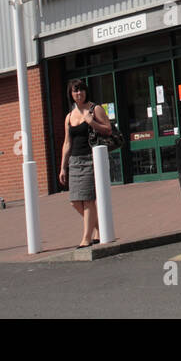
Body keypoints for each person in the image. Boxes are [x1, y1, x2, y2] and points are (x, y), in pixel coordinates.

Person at [58, 78, 113, 248]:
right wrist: (63, 167)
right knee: (75, 201)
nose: (78, 93)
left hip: (91, 158)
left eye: (81, 90)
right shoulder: (69, 116)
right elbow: (67, 143)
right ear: (71, 94)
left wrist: (92, 122)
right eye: (75, 91)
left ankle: (86, 238)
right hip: (75, 161)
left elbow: (108, 129)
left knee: (88, 200)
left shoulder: (94, 109)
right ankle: (100, 229)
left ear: (86, 91)